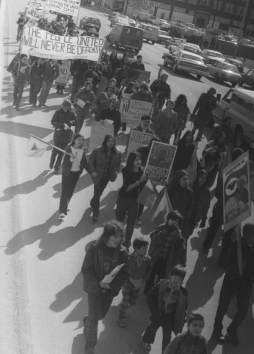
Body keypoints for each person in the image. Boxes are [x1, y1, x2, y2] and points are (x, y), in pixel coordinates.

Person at [212, 223, 254, 345]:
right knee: (222, 307)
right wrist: (237, 280)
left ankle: (232, 330)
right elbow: (229, 265)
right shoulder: (236, 245)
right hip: (232, 282)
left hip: (247, 284)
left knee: (243, 311)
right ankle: (216, 331)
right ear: (247, 236)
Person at [81, 221, 129, 354]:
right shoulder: (94, 249)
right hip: (94, 291)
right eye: (115, 236)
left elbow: (124, 273)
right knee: (94, 320)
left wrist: (111, 286)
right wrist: (97, 287)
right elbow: (87, 270)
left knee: (99, 315)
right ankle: (90, 346)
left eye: (120, 236)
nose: (118, 239)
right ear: (107, 236)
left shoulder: (122, 253)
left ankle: (88, 320)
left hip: (109, 291)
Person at [202, 148, 244, 258]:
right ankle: (222, 257)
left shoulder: (226, 170)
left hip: (224, 206)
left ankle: (207, 247)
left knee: (216, 228)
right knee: (226, 233)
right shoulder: (235, 172)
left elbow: (218, 191)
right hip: (229, 207)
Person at [142, 265, 188, 353]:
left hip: (169, 316)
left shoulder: (183, 293)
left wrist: (183, 318)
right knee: (152, 328)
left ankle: (165, 351)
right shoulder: (161, 285)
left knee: (167, 336)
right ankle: (146, 341)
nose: (176, 280)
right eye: (175, 277)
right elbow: (150, 296)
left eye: (179, 279)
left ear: (182, 281)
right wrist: (154, 310)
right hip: (158, 312)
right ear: (170, 276)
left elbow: (184, 307)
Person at [144, 211, 186, 296]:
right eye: (172, 220)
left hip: (166, 259)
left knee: (162, 278)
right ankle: (146, 292)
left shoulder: (177, 232)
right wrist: (166, 231)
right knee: (150, 275)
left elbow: (180, 249)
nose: (175, 222)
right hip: (155, 257)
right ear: (168, 220)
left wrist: (180, 243)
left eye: (177, 221)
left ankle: (155, 294)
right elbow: (155, 240)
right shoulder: (161, 227)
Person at [117, 236, 152, 328]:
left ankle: (122, 307)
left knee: (133, 301)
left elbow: (149, 270)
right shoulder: (129, 258)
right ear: (136, 249)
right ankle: (122, 317)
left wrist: (144, 279)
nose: (146, 250)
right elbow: (122, 268)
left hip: (138, 283)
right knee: (125, 301)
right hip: (128, 282)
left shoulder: (148, 260)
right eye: (144, 248)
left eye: (146, 248)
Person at [116, 151, 148, 248]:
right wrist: (139, 181)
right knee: (119, 223)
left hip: (134, 200)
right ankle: (117, 242)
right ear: (131, 161)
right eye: (136, 160)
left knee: (130, 225)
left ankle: (126, 245)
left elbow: (148, 184)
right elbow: (127, 187)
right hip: (123, 198)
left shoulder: (143, 171)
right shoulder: (126, 171)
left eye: (139, 159)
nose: (138, 161)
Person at [88, 134, 121, 222]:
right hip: (98, 176)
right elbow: (90, 161)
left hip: (107, 177)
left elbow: (118, 164)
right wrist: (93, 171)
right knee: (97, 193)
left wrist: (116, 171)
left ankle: (92, 203)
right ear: (105, 141)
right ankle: (95, 215)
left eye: (112, 141)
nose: (111, 143)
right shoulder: (97, 151)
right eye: (109, 141)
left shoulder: (117, 153)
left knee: (99, 193)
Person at [58, 133, 88, 219]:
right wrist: (70, 158)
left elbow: (85, 163)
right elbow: (64, 164)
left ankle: (65, 204)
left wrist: (92, 172)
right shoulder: (68, 149)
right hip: (67, 173)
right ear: (74, 140)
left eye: (82, 140)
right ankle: (62, 211)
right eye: (79, 139)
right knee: (64, 191)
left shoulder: (83, 150)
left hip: (76, 173)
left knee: (70, 192)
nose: (81, 141)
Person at [50, 99, 77, 173]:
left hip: (67, 135)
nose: (65, 108)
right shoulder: (57, 112)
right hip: (58, 135)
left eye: (67, 107)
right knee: (55, 151)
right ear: (62, 106)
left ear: (69, 107)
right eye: (64, 107)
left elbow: (75, 121)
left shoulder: (71, 113)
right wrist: (60, 125)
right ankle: (52, 161)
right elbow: (53, 121)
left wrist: (70, 122)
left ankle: (56, 167)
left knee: (61, 152)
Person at [166, 170, 194, 241]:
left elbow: (190, 206)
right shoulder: (170, 189)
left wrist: (185, 215)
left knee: (182, 240)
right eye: (184, 179)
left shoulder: (189, 192)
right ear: (178, 180)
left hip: (182, 220)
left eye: (187, 179)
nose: (186, 181)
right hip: (169, 220)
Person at [189, 170, 211, 235]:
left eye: (205, 178)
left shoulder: (207, 191)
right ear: (198, 177)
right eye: (202, 177)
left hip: (195, 216)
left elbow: (206, 207)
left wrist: (204, 219)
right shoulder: (191, 186)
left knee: (189, 233)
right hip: (186, 213)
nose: (203, 180)